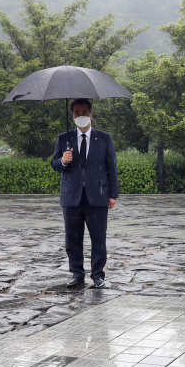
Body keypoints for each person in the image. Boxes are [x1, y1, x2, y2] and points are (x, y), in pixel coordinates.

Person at [50, 99, 119, 289]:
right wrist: (63, 161)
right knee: (72, 239)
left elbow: (111, 167)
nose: (80, 115)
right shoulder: (64, 138)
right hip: (71, 197)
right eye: (76, 112)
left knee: (98, 238)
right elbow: (54, 164)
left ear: (91, 114)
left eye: (84, 112)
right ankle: (77, 274)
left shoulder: (104, 138)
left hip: (97, 195)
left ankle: (98, 274)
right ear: (72, 115)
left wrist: (113, 194)